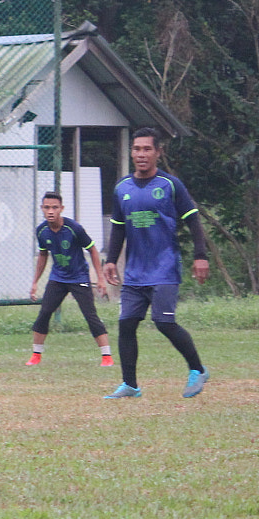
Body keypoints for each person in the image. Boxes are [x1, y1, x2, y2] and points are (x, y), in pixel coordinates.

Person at [101, 127, 210, 399]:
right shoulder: (122, 188)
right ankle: (130, 385)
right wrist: (111, 260)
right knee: (126, 324)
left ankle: (198, 369)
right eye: (137, 149)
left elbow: (194, 220)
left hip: (165, 267)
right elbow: (118, 228)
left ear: (158, 152)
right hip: (136, 271)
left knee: (164, 322)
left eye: (147, 149)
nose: (141, 154)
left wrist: (201, 255)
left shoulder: (171, 185)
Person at [27, 191, 111, 367]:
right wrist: (35, 282)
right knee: (44, 313)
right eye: (47, 207)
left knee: (90, 315)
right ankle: (36, 355)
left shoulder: (74, 229)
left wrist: (100, 278)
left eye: (54, 207)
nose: (50, 211)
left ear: (61, 209)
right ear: (42, 209)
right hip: (57, 277)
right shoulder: (41, 231)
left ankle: (107, 357)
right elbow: (43, 255)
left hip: (78, 277)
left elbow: (93, 250)